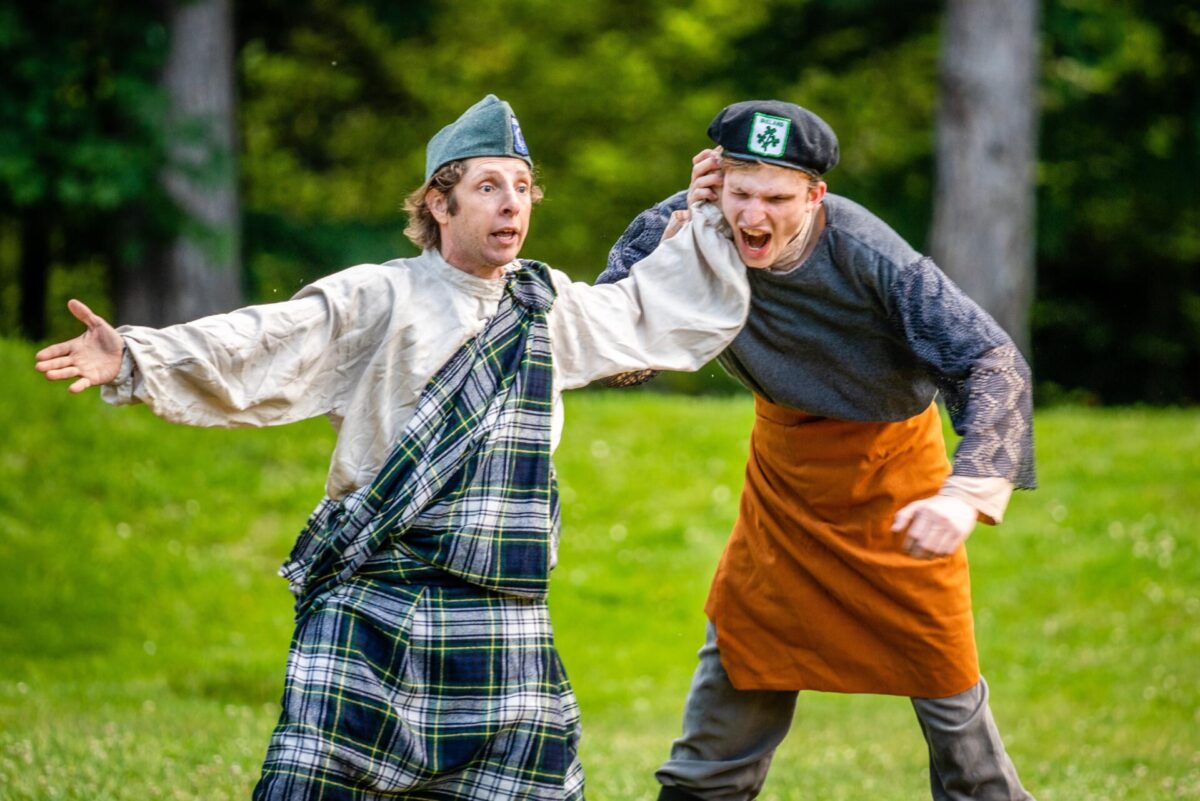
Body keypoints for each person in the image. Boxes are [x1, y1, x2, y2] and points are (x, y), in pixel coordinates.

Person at [34, 94, 750, 801]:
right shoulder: (380, 296)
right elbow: (260, 342)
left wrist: (714, 212)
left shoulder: (545, 303)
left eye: (524, 188)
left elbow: (647, 310)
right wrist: (135, 355)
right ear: (439, 205)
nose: (512, 205)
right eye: (489, 187)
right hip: (376, 597)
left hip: (502, 609)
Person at [600, 99, 1038, 801]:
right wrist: (682, 243)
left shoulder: (870, 254)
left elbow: (991, 361)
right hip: (785, 485)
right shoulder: (681, 226)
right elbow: (616, 352)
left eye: (777, 198)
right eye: (741, 193)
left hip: (895, 482)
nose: (753, 216)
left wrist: (968, 491)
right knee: (738, 672)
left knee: (957, 720)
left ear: (815, 195)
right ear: (715, 177)